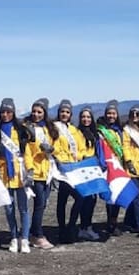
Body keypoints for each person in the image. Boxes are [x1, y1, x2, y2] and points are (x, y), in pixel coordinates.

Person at [0, 98, 34, 253]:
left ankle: (24, 238)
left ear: (13, 112)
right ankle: (13, 237)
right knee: (9, 209)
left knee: (23, 208)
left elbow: (26, 151)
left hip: (20, 174)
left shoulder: (20, 129)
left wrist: (30, 170)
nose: (5, 115)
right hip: (4, 175)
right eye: (3, 112)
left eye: (8, 112)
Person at [24, 98, 59, 249]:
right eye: (34, 111)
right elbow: (26, 152)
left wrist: (52, 150)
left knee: (43, 204)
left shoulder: (49, 129)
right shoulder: (27, 128)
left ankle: (34, 231)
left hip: (48, 171)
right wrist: (30, 169)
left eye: (39, 112)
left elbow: (57, 146)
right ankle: (37, 235)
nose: (36, 114)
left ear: (44, 113)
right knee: (39, 204)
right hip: (36, 172)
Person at [54, 99, 86, 243]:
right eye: (62, 111)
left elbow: (82, 147)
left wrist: (78, 155)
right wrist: (63, 158)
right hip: (62, 168)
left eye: (67, 112)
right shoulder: (54, 128)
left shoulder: (75, 130)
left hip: (74, 168)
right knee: (63, 200)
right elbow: (55, 147)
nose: (64, 114)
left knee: (78, 197)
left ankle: (71, 225)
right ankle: (62, 229)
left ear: (70, 114)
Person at [96, 99, 126, 236]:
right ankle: (110, 222)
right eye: (109, 113)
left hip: (119, 165)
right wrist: (103, 164)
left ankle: (114, 220)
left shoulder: (119, 130)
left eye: (113, 113)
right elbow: (100, 148)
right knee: (110, 195)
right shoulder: (101, 131)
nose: (111, 116)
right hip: (107, 165)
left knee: (118, 193)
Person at [122, 104, 139, 233]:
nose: (134, 116)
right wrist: (129, 162)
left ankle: (128, 221)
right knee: (136, 196)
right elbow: (125, 146)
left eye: (137, 114)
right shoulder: (127, 130)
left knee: (135, 195)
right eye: (132, 114)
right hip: (132, 167)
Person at [76, 106, 101, 241]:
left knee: (92, 199)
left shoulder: (95, 133)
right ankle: (83, 227)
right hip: (82, 168)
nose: (86, 119)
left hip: (93, 169)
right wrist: (84, 156)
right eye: (83, 117)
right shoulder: (76, 133)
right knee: (85, 198)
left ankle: (87, 226)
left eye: (88, 117)